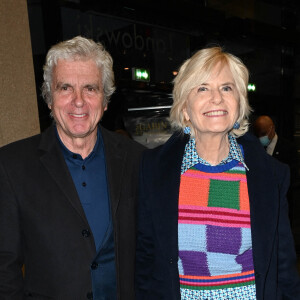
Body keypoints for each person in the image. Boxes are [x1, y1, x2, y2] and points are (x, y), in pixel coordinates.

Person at [135, 47, 300, 299]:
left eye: (226, 88)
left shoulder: (271, 176)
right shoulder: (154, 171)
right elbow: (146, 262)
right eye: (202, 88)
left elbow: (284, 267)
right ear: (185, 109)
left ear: (239, 104)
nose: (217, 98)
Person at [0, 36, 144, 299]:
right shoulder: (11, 166)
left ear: (105, 100)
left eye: (90, 88)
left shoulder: (140, 160)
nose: (78, 101)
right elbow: (3, 267)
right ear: (49, 98)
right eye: (65, 88)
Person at [253, 115, 299, 224]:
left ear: (272, 129)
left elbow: (294, 177)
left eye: (264, 133)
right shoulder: (256, 149)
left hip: (282, 203)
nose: (261, 137)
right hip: (262, 205)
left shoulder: (288, 148)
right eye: (259, 134)